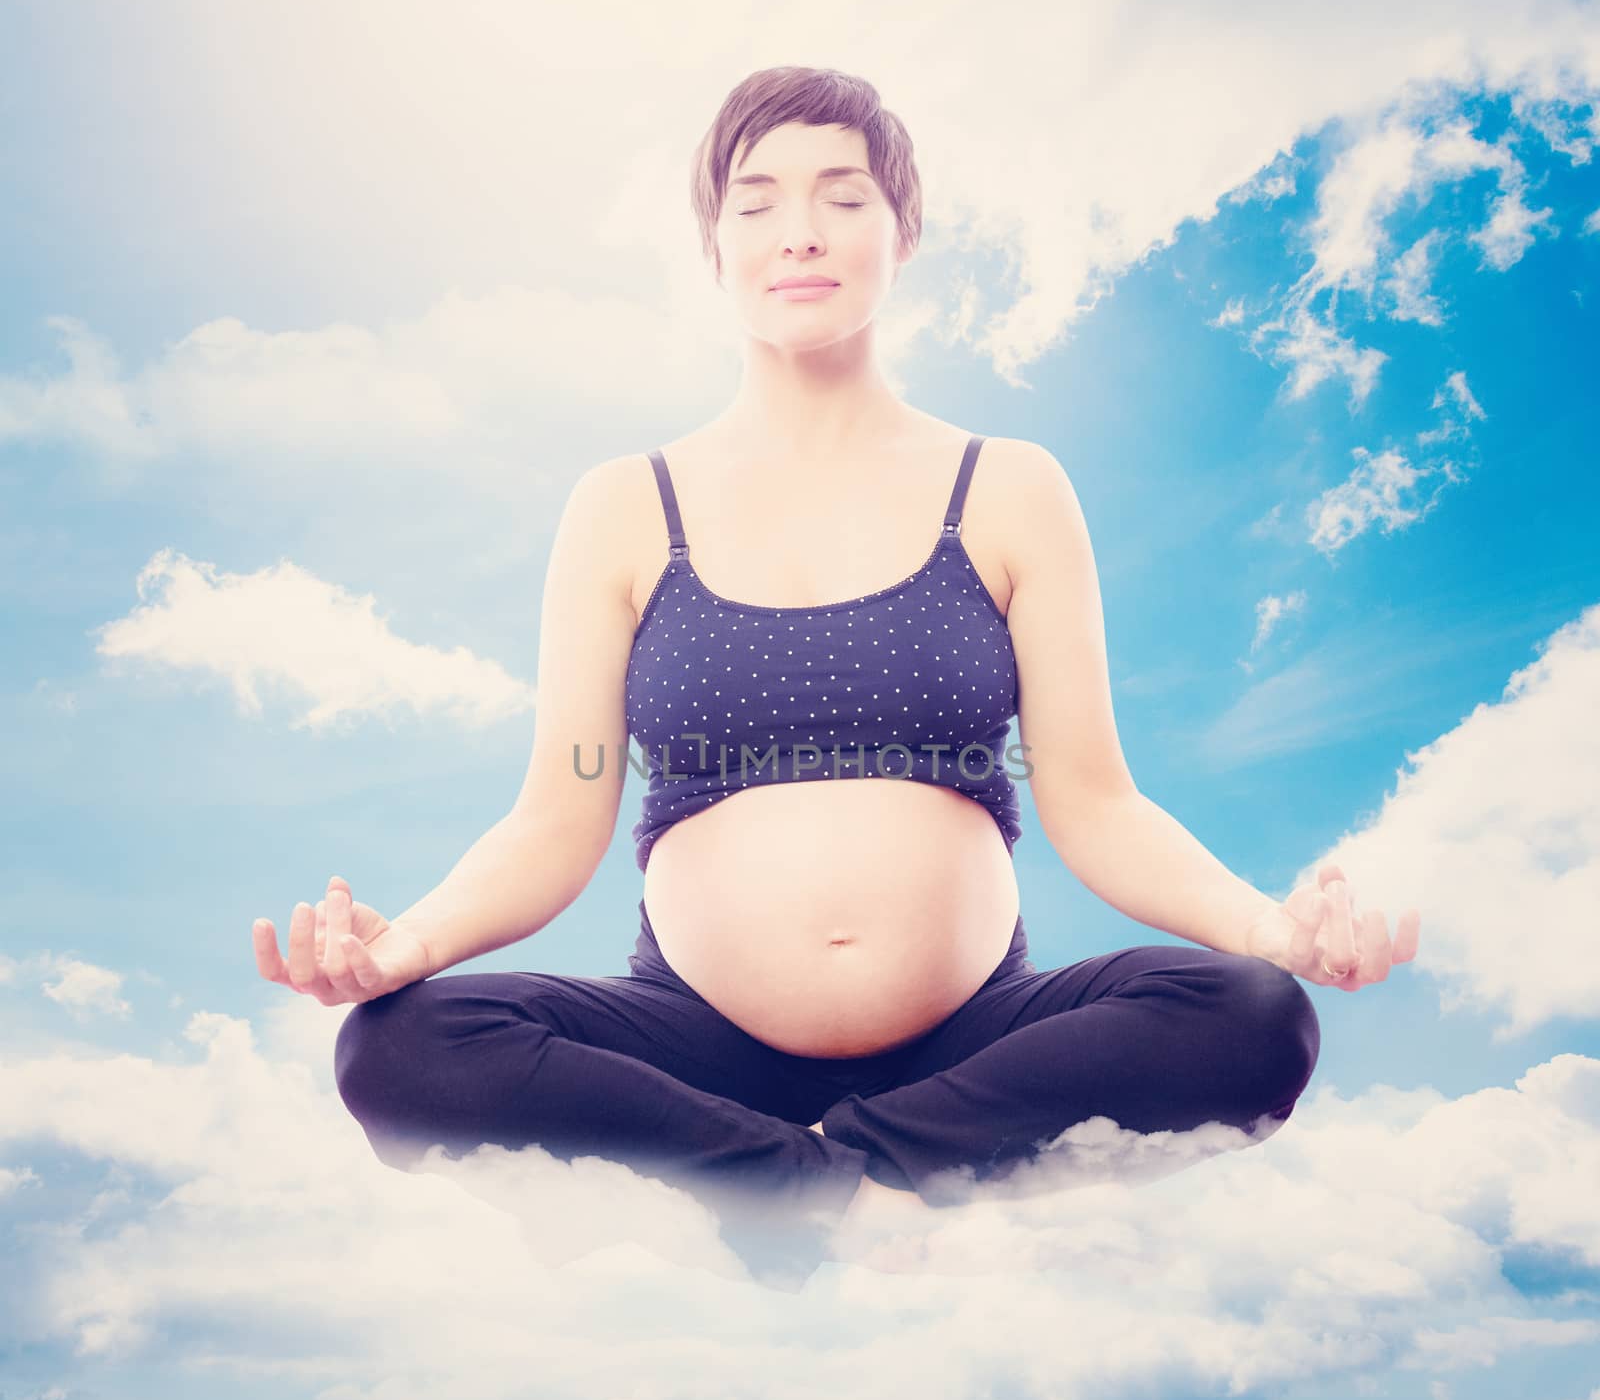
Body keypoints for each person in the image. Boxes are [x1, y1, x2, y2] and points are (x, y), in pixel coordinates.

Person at [252, 66, 1420, 1289]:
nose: (799, 230)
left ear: (899, 232)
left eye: (841, 196)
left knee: (1252, 1017)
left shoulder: (1009, 487)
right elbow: (558, 813)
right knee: (403, 1049)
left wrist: (1271, 928)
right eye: (754, 202)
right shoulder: (622, 508)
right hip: (696, 1041)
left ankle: (836, 1172)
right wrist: (404, 949)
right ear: (713, 247)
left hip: (974, 1043)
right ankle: (823, 1191)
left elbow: (1096, 802)